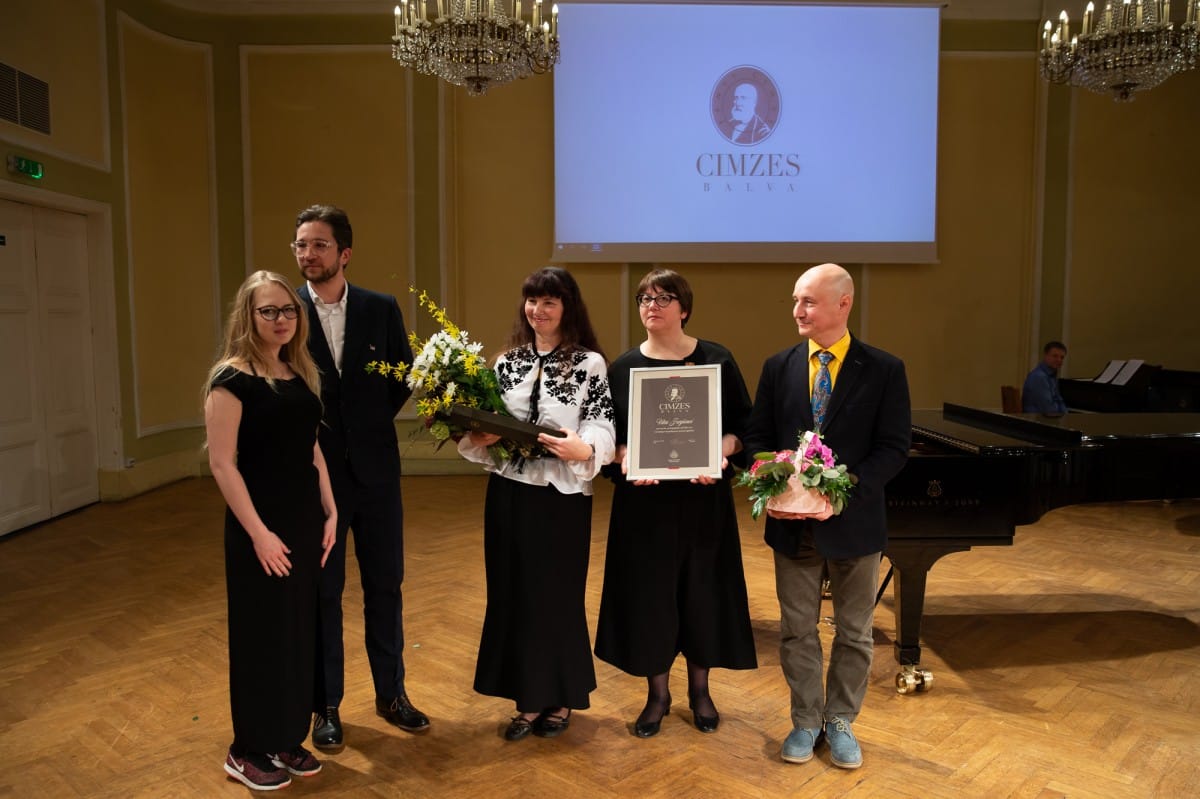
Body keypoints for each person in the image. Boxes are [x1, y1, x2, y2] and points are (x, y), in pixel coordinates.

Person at [743, 263, 911, 770]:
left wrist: (842, 491)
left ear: (844, 303)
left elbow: (894, 447)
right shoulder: (778, 366)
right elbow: (756, 438)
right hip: (791, 526)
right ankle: (804, 720)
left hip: (855, 525)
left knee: (855, 633)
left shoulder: (884, 369)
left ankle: (840, 721)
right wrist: (775, 473)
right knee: (797, 630)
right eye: (796, 300)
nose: (798, 310)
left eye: (809, 302)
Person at [594, 269, 758, 738]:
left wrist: (722, 448)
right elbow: (610, 438)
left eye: (664, 298)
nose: (652, 305)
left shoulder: (717, 359)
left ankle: (700, 691)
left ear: (684, 309)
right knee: (651, 598)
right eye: (644, 298)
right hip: (645, 507)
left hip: (703, 501)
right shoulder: (623, 368)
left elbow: (745, 428)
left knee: (703, 593)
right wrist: (623, 456)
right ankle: (658, 695)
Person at [456, 266, 616, 742]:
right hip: (509, 494)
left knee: (557, 598)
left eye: (549, 301)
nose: (538, 310)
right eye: (532, 301)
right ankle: (526, 700)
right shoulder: (505, 362)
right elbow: (484, 424)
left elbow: (601, 422)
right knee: (512, 595)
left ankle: (561, 696)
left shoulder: (589, 363)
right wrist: (478, 436)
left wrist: (585, 448)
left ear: (568, 307)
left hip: (561, 497)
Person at [292, 204, 429, 749]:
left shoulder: (380, 308)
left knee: (385, 586)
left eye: (319, 244)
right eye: (301, 244)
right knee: (323, 592)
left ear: (344, 253)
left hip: (377, 474)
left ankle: (392, 695)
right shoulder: (286, 311)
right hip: (315, 477)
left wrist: (365, 425)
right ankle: (325, 706)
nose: (308, 254)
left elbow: (401, 376)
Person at [204, 270, 338, 790]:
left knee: (297, 630)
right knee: (262, 634)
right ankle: (247, 748)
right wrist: (259, 533)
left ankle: (285, 737)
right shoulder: (230, 380)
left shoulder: (296, 371)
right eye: (269, 311)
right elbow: (222, 465)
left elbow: (311, 446)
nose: (281, 319)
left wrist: (330, 508)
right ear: (248, 315)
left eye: (288, 310)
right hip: (258, 525)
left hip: (303, 519)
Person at [1022, 341, 1068, 415]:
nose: (1059, 360)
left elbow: (1059, 400)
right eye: (1055, 356)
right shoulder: (1039, 377)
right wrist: (1063, 415)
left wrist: (1066, 415)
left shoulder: (1051, 375)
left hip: (1048, 417)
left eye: (1062, 357)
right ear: (1045, 356)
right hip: (1036, 419)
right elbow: (1048, 409)